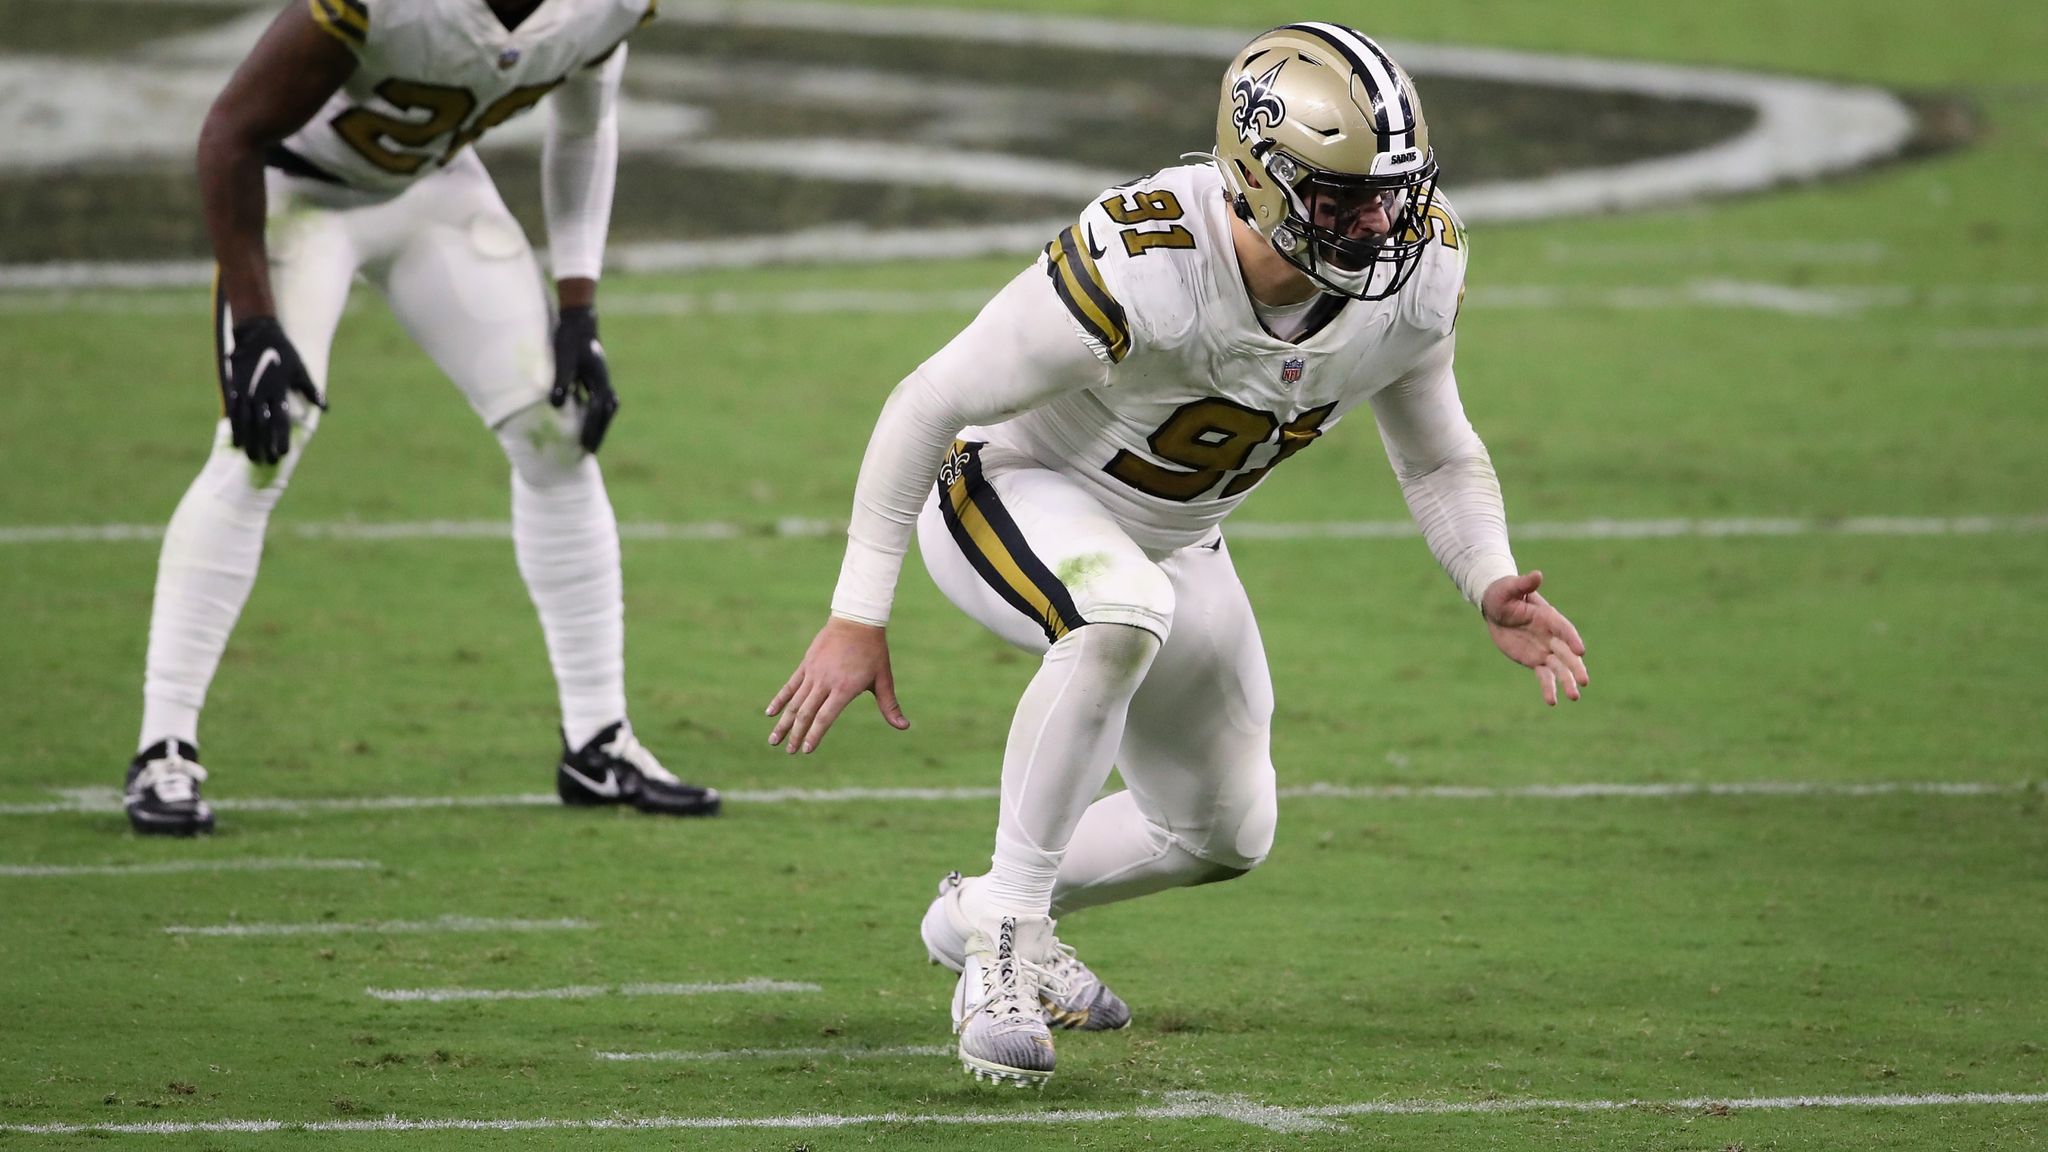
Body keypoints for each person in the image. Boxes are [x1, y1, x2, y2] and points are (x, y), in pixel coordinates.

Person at [766, 22, 1590, 1085]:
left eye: (1389, 189)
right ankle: (1005, 952)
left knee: (1220, 830)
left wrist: (1487, 576)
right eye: (1339, 196)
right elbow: (927, 399)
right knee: (1116, 618)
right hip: (1008, 489)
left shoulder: (1415, 269)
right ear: (1255, 179)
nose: (1377, 220)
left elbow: (1437, 457)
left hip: (1168, 536)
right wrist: (855, 612)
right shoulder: (1148, 262)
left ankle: (973, 913)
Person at [124, 0, 720, 835]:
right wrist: (256, 323)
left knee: (558, 440)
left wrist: (578, 304)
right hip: (299, 196)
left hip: (436, 192)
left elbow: (586, 125)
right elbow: (229, 132)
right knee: (262, 445)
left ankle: (598, 742)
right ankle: (164, 749)